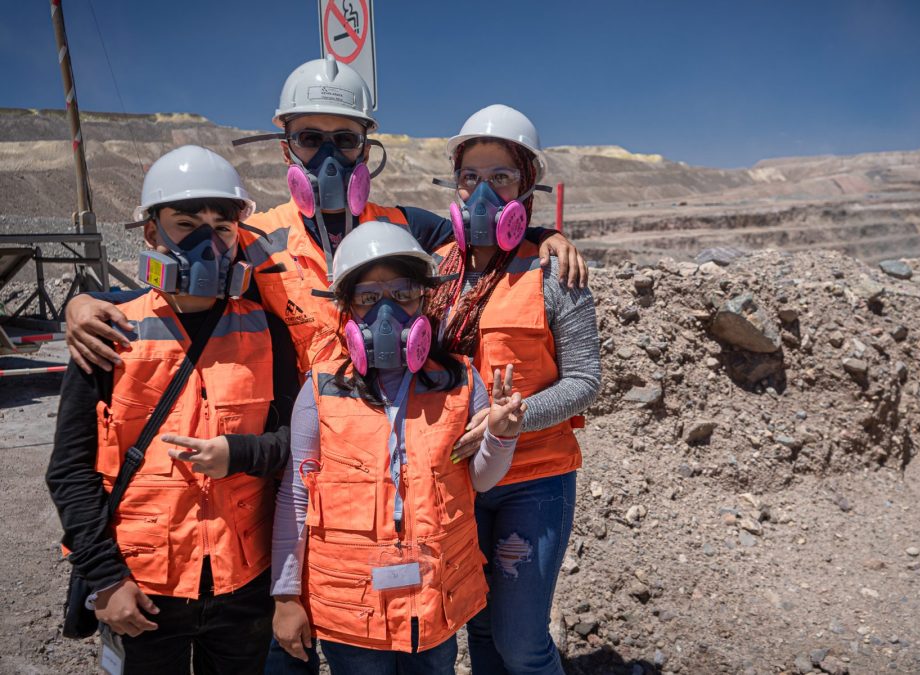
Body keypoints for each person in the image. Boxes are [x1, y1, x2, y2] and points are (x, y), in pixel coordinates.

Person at [62, 56, 588, 380]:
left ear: (366, 147)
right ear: (286, 149)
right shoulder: (257, 237)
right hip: (301, 437)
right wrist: (87, 301)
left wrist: (546, 234)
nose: (330, 157)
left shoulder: (407, 227)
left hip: (389, 423)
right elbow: (185, 281)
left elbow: (489, 236)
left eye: (346, 140)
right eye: (311, 139)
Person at [46, 146, 299, 674]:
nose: (209, 242)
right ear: (151, 234)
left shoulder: (267, 331)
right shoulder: (108, 334)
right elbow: (70, 470)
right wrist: (107, 581)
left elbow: (295, 444)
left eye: (223, 229)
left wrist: (241, 453)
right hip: (143, 588)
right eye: (186, 224)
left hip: (241, 585)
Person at [270, 221, 526, 673]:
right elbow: (296, 492)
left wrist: (501, 434)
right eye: (369, 298)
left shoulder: (462, 381)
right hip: (353, 608)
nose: (387, 312)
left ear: (424, 299)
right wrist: (286, 595)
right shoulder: (320, 388)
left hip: (433, 601)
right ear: (347, 309)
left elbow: (480, 480)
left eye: (404, 294)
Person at [425, 105, 601, 674]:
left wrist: (516, 417)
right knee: (478, 625)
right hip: (460, 477)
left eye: (500, 177)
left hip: (534, 481)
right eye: (470, 177)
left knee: (522, 642)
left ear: (526, 190)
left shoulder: (555, 273)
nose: (482, 192)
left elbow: (585, 381)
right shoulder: (432, 271)